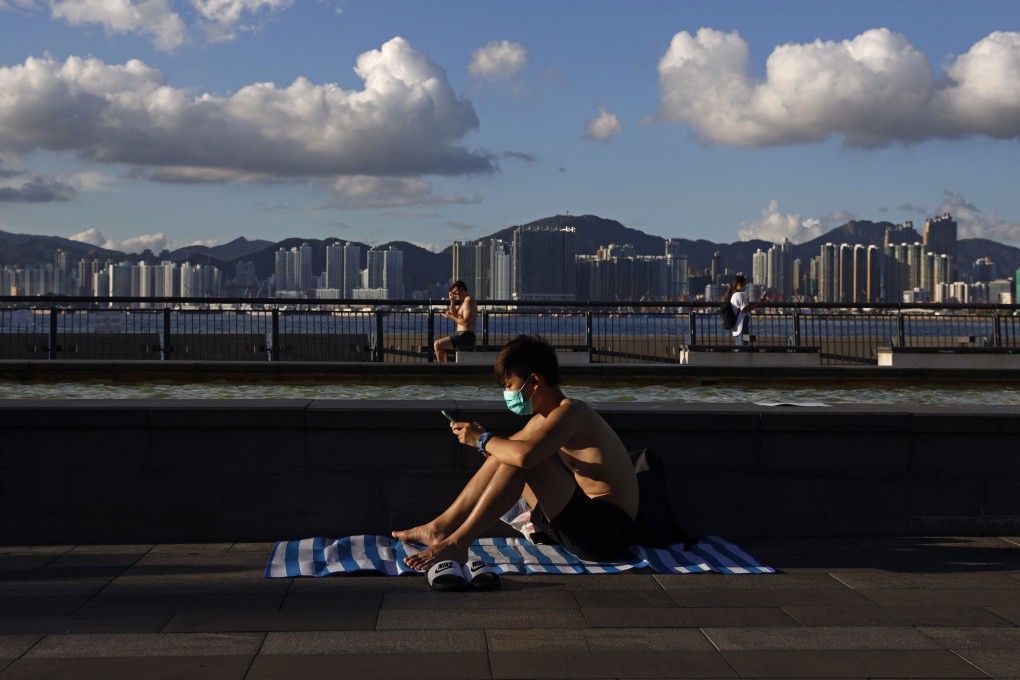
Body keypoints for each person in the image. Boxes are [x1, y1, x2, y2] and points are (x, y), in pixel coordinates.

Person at [393, 334, 639, 589]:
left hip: (606, 534)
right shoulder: (544, 418)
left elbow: (525, 456)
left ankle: (457, 543)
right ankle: (440, 528)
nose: (507, 394)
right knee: (511, 454)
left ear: (534, 381)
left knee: (525, 458)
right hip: (578, 523)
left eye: (510, 386)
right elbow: (503, 455)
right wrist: (481, 439)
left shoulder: (572, 413)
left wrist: (482, 439)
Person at [433, 280, 477, 364]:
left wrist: (451, 316)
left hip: (466, 336)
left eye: (455, 292)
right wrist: (452, 301)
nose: (455, 295)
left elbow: (465, 322)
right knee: (440, 346)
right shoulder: (464, 302)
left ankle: (442, 371)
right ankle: (445, 370)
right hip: (461, 335)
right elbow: (455, 314)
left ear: (461, 289)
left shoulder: (468, 301)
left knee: (437, 344)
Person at [726, 275, 763, 347]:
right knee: (743, 346)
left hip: (737, 326)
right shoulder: (739, 295)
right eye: (744, 284)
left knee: (740, 345)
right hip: (742, 326)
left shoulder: (733, 295)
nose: (745, 286)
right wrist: (759, 303)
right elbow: (745, 309)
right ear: (740, 284)